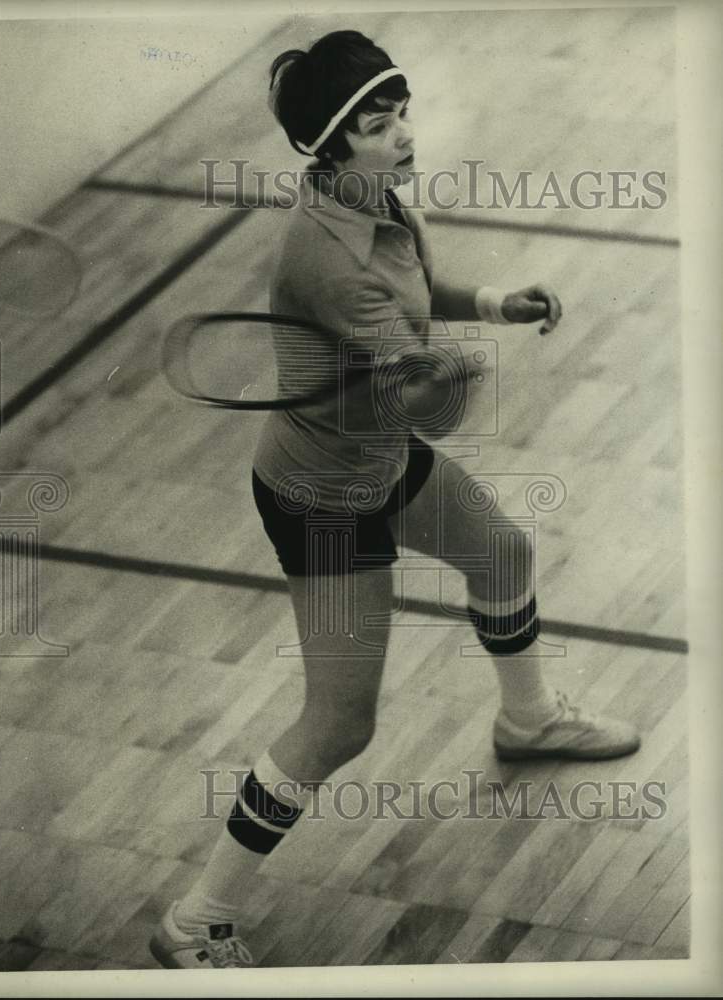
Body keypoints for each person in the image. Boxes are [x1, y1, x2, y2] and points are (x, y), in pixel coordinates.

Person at [150, 29, 640, 970]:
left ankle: (527, 719)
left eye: (401, 114)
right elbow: (420, 397)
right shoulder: (322, 259)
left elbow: (418, 306)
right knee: (340, 723)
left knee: (502, 554)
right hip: (322, 498)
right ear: (330, 145)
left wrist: (494, 305)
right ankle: (195, 920)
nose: (403, 135)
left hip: (376, 456)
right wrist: (453, 380)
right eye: (379, 126)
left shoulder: (373, 200)